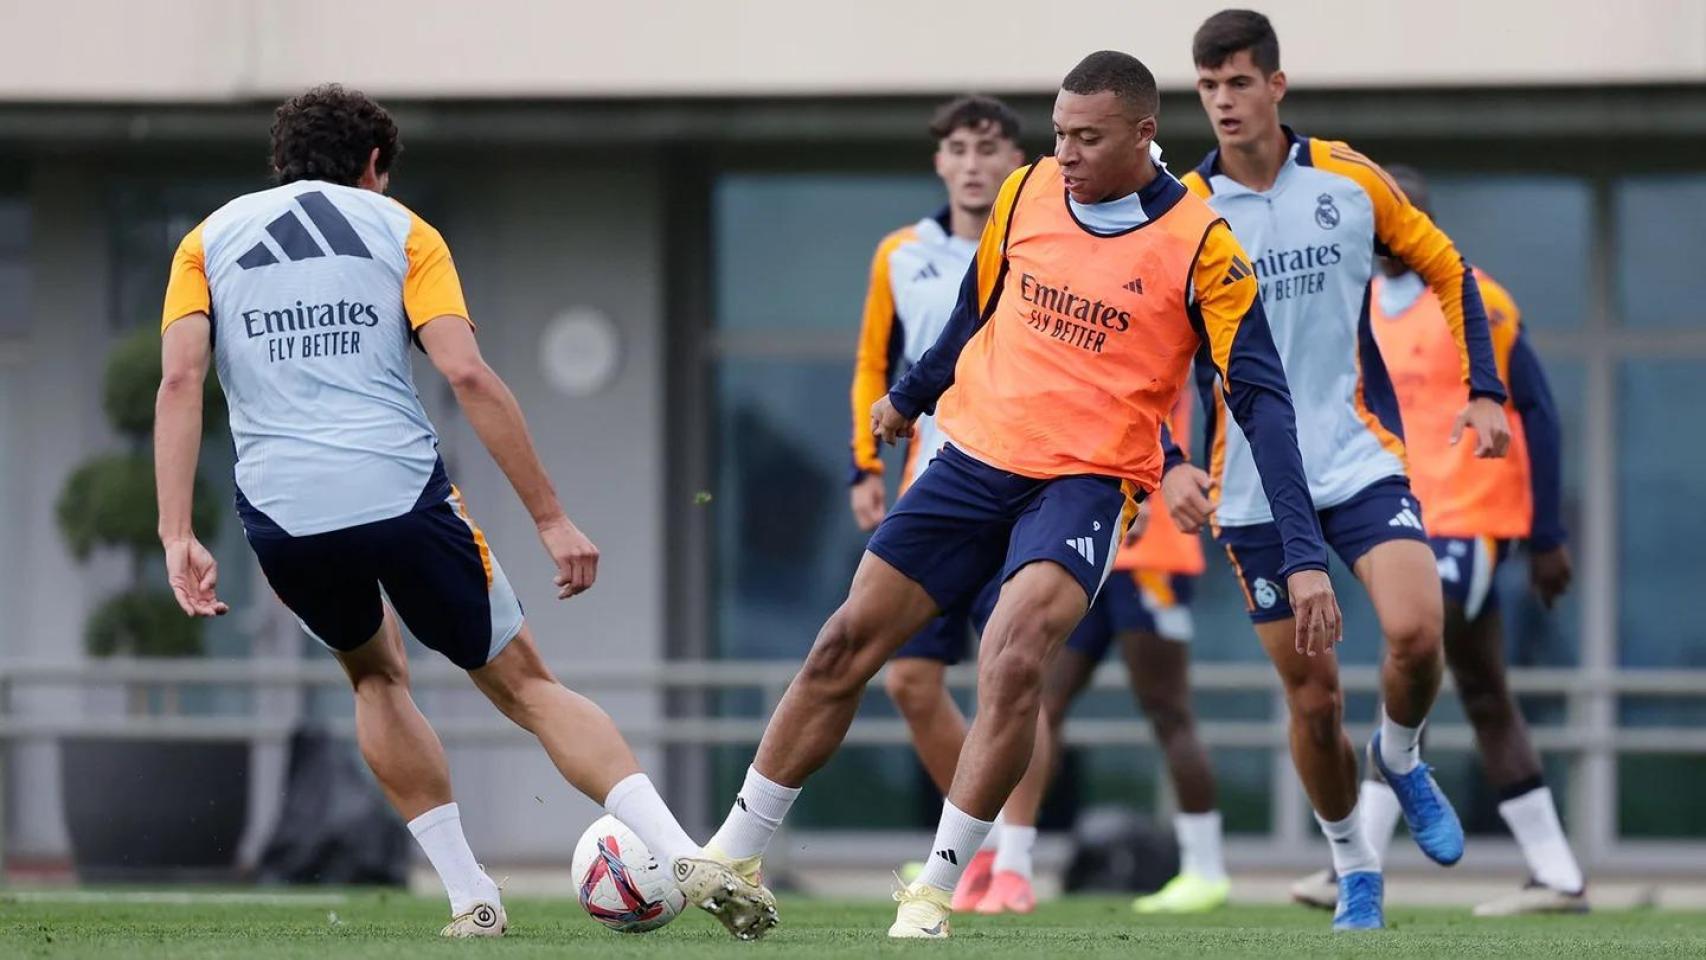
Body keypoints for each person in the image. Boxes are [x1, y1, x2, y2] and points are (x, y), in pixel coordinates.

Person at [698, 50, 1340, 941]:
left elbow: (1263, 404)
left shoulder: (1203, 245)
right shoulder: (1028, 191)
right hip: (970, 457)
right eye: (1058, 133)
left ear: (1145, 135)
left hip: (1087, 481)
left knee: (1011, 656)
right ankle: (733, 852)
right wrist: (908, 398)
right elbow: (975, 309)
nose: (1064, 153)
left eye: (1087, 137)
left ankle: (937, 885)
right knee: (844, 642)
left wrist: (1305, 557)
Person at [153, 84, 772, 940]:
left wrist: (177, 533)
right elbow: (469, 375)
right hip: (398, 491)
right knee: (525, 687)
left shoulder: (204, 242)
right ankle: (680, 850)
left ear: (281, 160)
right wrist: (552, 518)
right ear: (374, 166)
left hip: (284, 513)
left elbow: (181, 382)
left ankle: (469, 897)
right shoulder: (404, 230)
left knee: (374, 675)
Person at [1168, 10, 1513, 931]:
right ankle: (1355, 864)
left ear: (1276, 86)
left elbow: (1451, 272)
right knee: (1314, 701)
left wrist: (1485, 390)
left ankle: (1400, 754)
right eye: (1207, 88)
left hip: (1356, 457)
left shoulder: (1350, 180)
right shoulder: (1186, 212)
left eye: (1239, 82)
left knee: (1417, 633)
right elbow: (1151, 354)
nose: (1223, 102)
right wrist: (1166, 462)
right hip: (1247, 490)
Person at [1290, 165, 1586, 917]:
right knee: (1485, 692)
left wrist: (1546, 534)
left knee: (1410, 650)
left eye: (1403, 215)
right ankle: (1558, 875)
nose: (1387, 230)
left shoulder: (1477, 299)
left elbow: (1539, 411)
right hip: (1407, 514)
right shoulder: (1354, 304)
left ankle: (1352, 862)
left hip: (1473, 518)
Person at [847, 95, 1031, 911]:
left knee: (1009, 666)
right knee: (909, 682)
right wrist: (864, 466)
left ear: (1016, 159)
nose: (972, 163)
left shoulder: (1040, 240)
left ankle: (1014, 864)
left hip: (1027, 483)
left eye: (988, 149)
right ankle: (978, 845)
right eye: (957, 148)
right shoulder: (901, 253)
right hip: (935, 486)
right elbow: (874, 364)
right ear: (939, 162)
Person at [986, 397, 1229, 917]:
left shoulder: (1162, 333)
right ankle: (1010, 859)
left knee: (1168, 710)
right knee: (1039, 700)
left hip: (1152, 555)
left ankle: (1206, 869)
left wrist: (1140, 503)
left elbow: (1146, 419)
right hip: (1089, 543)